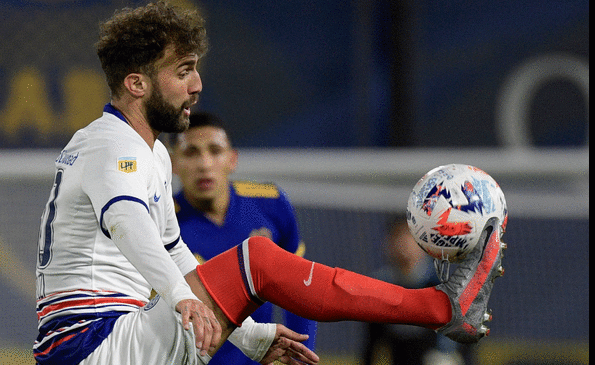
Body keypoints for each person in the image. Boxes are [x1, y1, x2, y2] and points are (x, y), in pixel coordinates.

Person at [33, 2, 507, 364]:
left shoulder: (151, 152)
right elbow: (126, 220)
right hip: (91, 344)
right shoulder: (112, 145)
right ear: (137, 84)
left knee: (251, 264)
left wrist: (253, 337)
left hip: (114, 337)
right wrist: (182, 299)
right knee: (256, 260)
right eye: (183, 71)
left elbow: (174, 252)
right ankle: (441, 307)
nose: (197, 84)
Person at [169, 111, 317, 364]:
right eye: (191, 152)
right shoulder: (161, 223)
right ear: (172, 163)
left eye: (215, 150)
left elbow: (301, 289)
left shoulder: (270, 204)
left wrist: (301, 356)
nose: (204, 164)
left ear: (232, 159)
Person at [362, 215, 469, 365]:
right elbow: (371, 345)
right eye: (397, 236)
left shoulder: (443, 288)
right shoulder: (379, 288)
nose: (403, 243)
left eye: (409, 236)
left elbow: (464, 344)